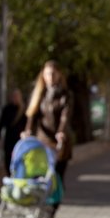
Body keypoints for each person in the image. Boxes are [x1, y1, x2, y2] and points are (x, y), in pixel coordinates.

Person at [22, 60, 73, 196]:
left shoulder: (65, 95)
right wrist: (27, 130)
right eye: (48, 74)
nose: (51, 77)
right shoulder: (39, 95)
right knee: (41, 178)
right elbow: (32, 115)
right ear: (43, 75)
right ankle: (40, 211)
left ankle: (51, 210)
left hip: (59, 144)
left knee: (57, 179)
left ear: (59, 75)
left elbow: (65, 116)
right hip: (42, 143)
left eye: (53, 74)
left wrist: (61, 132)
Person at [0, 89, 27, 176]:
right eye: (14, 96)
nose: (15, 98)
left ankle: (18, 175)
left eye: (17, 96)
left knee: (19, 158)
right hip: (9, 138)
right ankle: (10, 175)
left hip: (20, 139)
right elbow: (1, 124)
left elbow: (27, 125)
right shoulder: (6, 109)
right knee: (8, 159)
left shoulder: (23, 110)